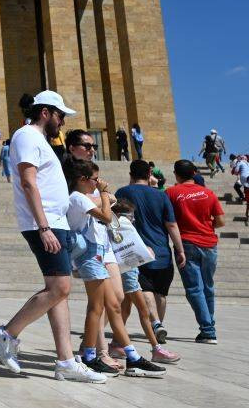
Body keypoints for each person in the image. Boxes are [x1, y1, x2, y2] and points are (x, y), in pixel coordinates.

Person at [0, 91, 107, 382]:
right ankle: (6, 334)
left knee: (59, 294)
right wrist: (43, 227)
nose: (62, 121)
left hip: (56, 222)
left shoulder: (40, 139)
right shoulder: (27, 136)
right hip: (45, 223)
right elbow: (29, 183)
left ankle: (66, 361)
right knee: (60, 289)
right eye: (60, 115)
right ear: (45, 112)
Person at [64, 158, 165, 378]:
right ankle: (90, 356)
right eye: (94, 179)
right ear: (82, 179)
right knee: (96, 307)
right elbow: (107, 216)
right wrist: (103, 194)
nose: (98, 182)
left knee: (113, 305)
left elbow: (109, 207)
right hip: (90, 256)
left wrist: (104, 197)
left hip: (99, 252)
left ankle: (132, 356)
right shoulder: (77, 198)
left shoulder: (84, 197)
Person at [114, 160, 185, 345]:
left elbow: (115, 220)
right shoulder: (161, 196)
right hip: (162, 251)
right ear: (149, 174)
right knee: (161, 293)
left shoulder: (123, 192)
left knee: (145, 288)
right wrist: (180, 249)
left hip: (137, 251)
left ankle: (155, 324)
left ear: (131, 174)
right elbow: (171, 224)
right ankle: (158, 325)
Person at [114, 197, 182, 364]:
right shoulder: (123, 225)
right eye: (131, 216)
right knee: (144, 311)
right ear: (122, 216)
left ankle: (114, 344)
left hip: (127, 272)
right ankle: (156, 349)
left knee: (124, 310)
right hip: (129, 273)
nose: (133, 219)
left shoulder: (119, 226)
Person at [166, 160, 224, 344]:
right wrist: (206, 225)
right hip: (209, 243)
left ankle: (208, 330)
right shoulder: (208, 193)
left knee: (194, 289)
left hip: (186, 243)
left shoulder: (171, 193)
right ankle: (209, 326)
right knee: (208, 287)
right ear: (194, 173)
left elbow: (168, 219)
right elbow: (221, 221)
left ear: (176, 174)